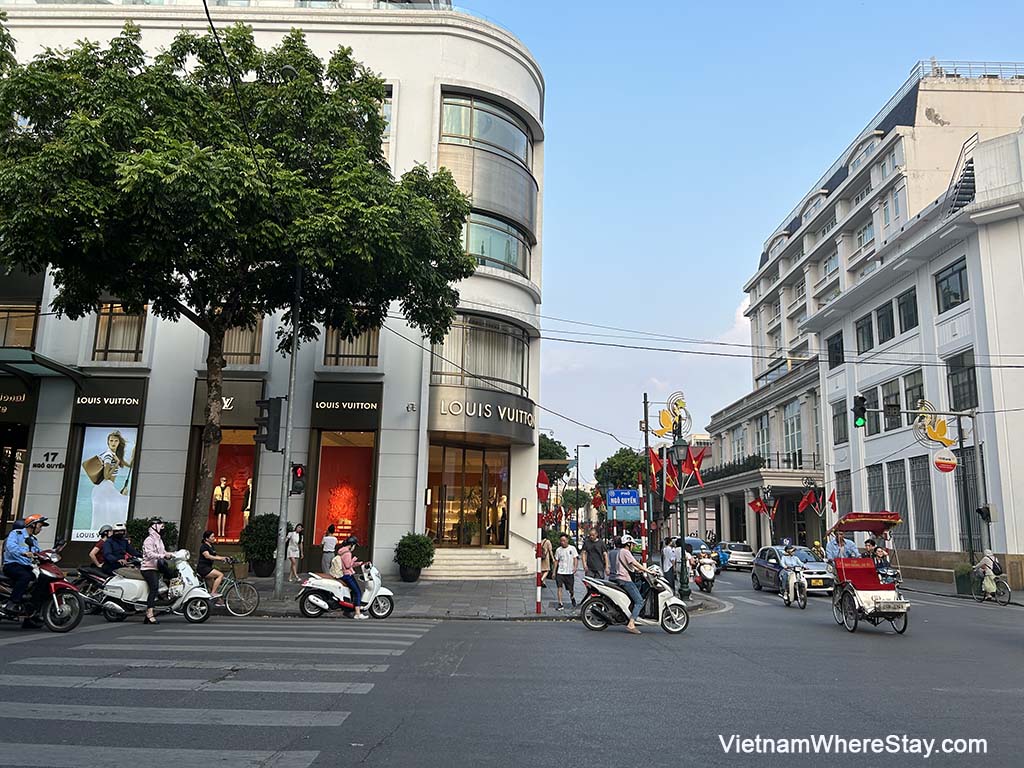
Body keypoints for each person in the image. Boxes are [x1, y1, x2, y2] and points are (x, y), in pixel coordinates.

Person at [86, 431, 132, 530]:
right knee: (123, 507)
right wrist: (117, 463)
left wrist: (134, 453)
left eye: (116, 441)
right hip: (104, 487)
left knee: (106, 515)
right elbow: (106, 476)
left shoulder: (114, 455)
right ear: (108, 442)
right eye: (111, 441)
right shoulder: (109, 455)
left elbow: (129, 465)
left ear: (119, 442)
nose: (113, 443)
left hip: (105, 488)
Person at [2, 514, 47, 614]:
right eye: (40, 526)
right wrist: (23, 552)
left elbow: (38, 552)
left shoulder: (34, 540)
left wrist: (50, 553)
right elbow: (11, 547)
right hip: (12, 565)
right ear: (32, 525)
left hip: (26, 566)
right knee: (25, 576)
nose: (40, 529)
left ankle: (32, 611)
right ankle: (12, 603)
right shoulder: (16, 534)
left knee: (41, 580)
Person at [612, 534, 654, 634]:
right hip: (625, 579)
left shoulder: (621, 552)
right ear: (628, 544)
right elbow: (635, 563)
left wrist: (639, 570)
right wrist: (648, 571)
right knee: (639, 601)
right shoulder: (626, 552)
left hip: (621, 578)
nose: (634, 546)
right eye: (632, 544)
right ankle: (631, 624)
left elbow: (631, 566)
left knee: (638, 589)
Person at [140, 518, 175, 625]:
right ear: (153, 527)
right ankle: (150, 613)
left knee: (173, 575)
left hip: (157, 567)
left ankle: (165, 601)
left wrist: (174, 554)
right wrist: (163, 555)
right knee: (154, 588)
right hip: (148, 568)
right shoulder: (149, 540)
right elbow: (150, 554)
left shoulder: (159, 539)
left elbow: (163, 551)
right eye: (160, 525)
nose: (161, 527)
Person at [333, 535, 367, 619]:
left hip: (344, 574)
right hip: (347, 575)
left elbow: (346, 564)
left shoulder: (342, 551)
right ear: (351, 545)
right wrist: (354, 560)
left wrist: (358, 563)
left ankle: (347, 611)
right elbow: (348, 565)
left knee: (350, 592)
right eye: (354, 545)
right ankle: (358, 613)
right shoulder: (347, 553)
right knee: (357, 592)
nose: (354, 547)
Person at [197, 530, 229, 601]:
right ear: (206, 538)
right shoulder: (204, 547)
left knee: (213, 586)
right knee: (220, 575)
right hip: (203, 568)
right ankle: (213, 593)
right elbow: (208, 556)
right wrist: (220, 559)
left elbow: (214, 555)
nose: (214, 538)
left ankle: (218, 601)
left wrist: (223, 558)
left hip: (208, 567)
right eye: (212, 537)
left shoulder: (211, 546)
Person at [553, 533, 579, 610]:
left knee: (570, 589)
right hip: (560, 572)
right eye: (561, 541)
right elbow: (556, 561)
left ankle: (572, 596)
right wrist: (554, 572)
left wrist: (575, 567)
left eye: (564, 540)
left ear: (567, 540)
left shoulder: (572, 548)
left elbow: (575, 558)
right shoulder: (558, 550)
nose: (562, 542)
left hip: (569, 572)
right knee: (559, 587)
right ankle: (560, 603)